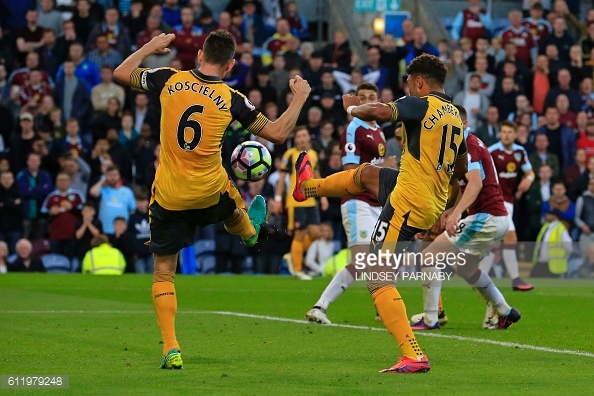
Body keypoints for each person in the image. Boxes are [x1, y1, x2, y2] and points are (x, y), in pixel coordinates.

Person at [113, 29, 310, 369]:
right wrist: (300, 97)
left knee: (163, 274)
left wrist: (151, 46)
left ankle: (171, 348)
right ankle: (250, 233)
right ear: (231, 64)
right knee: (232, 201)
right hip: (208, 191)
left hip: (169, 195)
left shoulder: (167, 79)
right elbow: (278, 133)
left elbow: (120, 73)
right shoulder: (233, 99)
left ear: (200, 55)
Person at [294, 54, 468, 373]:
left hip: (408, 202)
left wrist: (351, 107)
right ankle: (307, 187)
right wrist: (447, 207)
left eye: (408, 83)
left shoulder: (422, 102)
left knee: (376, 276)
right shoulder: (456, 116)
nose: (407, 88)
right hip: (420, 192)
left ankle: (413, 354)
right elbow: (460, 171)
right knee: (367, 174)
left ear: (418, 81)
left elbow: (377, 110)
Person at [306, 82, 395, 323]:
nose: (367, 101)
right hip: (357, 202)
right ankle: (320, 306)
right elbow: (349, 170)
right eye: (362, 97)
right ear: (356, 102)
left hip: (377, 204)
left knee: (383, 259)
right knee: (363, 260)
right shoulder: (354, 127)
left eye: (372, 97)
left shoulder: (378, 129)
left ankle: (383, 309)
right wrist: (383, 168)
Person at [479, 121, 535, 290]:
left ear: (515, 134)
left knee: (494, 241)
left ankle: (479, 276)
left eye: (510, 131)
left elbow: (530, 172)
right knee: (510, 238)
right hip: (495, 200)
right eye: (503, 131)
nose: (506, 135)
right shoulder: (492, 151)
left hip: (509, 201)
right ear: (500, 133)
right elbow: (481, 173)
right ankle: (516, 279)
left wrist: (528, 179)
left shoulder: (520, 152)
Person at [272, 126, 328, 280]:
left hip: (311, 200)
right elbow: (282, 179)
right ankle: (297, 269)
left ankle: (292, 255)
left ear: (308, 137)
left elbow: (316, 175)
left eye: (304, 135)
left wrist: (323, 196)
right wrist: (278, 200)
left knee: (316, 233)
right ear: (295, 139)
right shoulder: (289, 155)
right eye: (299, 136)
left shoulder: (313, 155)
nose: (302, 139)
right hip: (296, 201)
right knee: (299, 234)